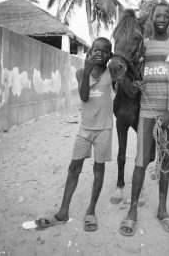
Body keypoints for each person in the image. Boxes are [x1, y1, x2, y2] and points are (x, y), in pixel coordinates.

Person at [119, 1, 169, 236]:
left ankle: (162, 210)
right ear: (151, 18)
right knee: (141, 161)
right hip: (146, 113)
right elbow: (129, 72)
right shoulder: (142, 45)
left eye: (166, 15)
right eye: (158, 14)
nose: (162, 18)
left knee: (166, 162)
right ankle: (132, 211)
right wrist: (132, 85)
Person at [36, 37, 113, 232]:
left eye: (105, 51)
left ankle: (91, 211)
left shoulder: (111, 73)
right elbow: (84, 97)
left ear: (110, 55)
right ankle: (63, 212)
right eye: (96, 49)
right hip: (85, 130)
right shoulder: (81, 73)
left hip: (104, 129)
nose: (99, 53)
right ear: (90, 52)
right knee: (74, 168)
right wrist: (87, 72)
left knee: (98, 169)